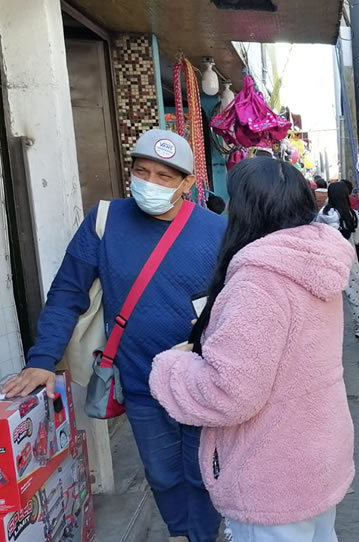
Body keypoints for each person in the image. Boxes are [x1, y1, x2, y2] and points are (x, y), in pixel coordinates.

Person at [1, 129, 226, 542]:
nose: (151, 183)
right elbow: (68, 291)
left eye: (164, 176)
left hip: (202, 381)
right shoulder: (105, 221)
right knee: (162, 475)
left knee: (204, 476)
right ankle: (182, 534)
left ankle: (205, 535)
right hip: (139, 380)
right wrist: (41, 359)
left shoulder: (217, 231)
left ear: (188, 184)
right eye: (143, 172)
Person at [149, 157, 355, 541]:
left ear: (245, 209)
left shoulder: (258, 282)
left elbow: (229, 393)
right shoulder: (314, 261)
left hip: (273, 471)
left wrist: (171, 367)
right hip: (319, 454)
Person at [317, 182, 359, 338]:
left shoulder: (323, 214)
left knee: (329, 300)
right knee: (355, 297)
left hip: (329, 262)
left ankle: (329, 332)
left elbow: (317, 237)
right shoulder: (353, 215)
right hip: (350, 261)